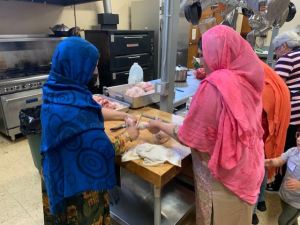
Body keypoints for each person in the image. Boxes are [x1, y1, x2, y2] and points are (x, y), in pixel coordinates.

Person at [147, 25, 265, 225]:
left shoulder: (216, 86)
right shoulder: (246, 79)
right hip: (248, 170)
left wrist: (159, 124)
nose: (202, 61)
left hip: (224, 181)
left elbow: (189, 136)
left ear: (218, 53)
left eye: (203, 54)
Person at [40, 37, 139, 224]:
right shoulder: (71, 105)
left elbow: (86, 110)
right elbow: (104, 150)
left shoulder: (56, 91)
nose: (95, 72)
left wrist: (122, 116)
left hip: (57, 175)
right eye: (92, 66)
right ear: (76, 67)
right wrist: (129, 135)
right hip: (78, 190)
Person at [252, 62, 291, 224]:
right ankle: (260, 200)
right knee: (262, 168)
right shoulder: (272, 80)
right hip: (268, 136)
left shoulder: (264, 88)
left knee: (256, 172)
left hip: (260, 136)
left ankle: (252, 210)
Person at [268, 31, 300, 191]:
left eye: (277, 49)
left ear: (285, 46)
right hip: (299, 113)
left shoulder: (286, 59)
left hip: (291, 111)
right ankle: (290, 181)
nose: (276, 53)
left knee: (285, 148)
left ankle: (277, 182)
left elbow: (275, 89)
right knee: (295, 149)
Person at [265, 131, 300, 225]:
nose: (298, 139)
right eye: (298, 135)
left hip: (297, 202)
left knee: (283, 221)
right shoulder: (293, 151)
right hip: (285, 194)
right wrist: (269, 162)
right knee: (291, 221)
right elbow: (280, 160)